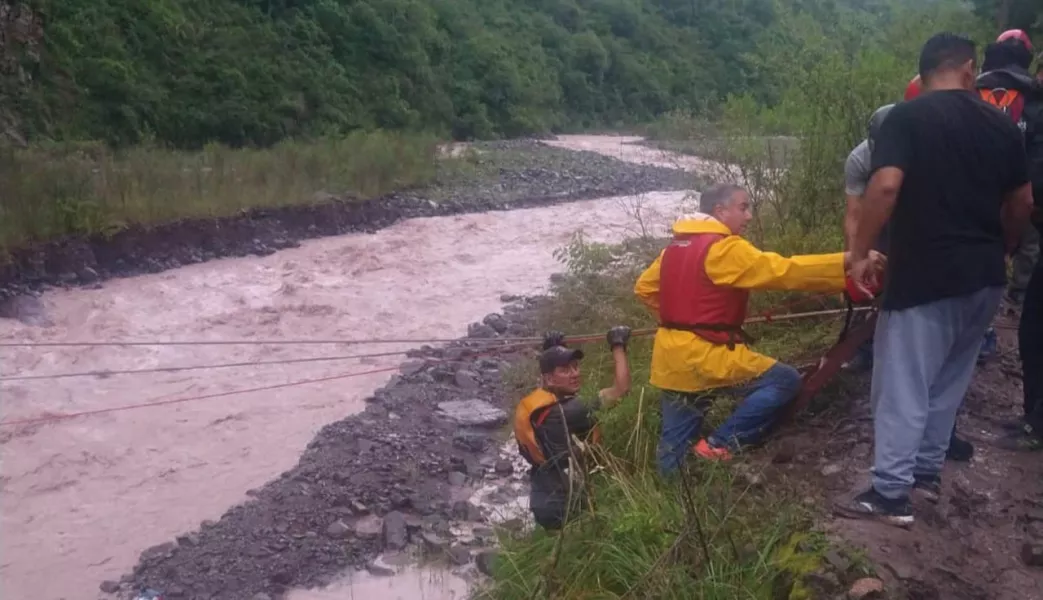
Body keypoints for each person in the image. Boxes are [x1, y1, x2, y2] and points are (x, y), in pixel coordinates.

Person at [838, 33, 1034, 528]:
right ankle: (925, 472)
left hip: (925, 272)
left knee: (903, 381)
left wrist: (860, 252)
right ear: (968, 70)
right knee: (949, 380)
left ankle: (890, 493)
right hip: (984, 275)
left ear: (924, 72)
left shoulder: (907, 117)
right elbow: (1023, 204)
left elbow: (884, 185)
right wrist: (1005, 248)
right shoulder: (1002, 124)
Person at [633, 183, 883, 472]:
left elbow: (644, 289)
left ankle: (671, 504)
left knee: (673, 443)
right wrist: (846, 262)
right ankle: (719, 444)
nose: (749, 216)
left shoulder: (674, 249)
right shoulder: (723, 248)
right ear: (720, 211)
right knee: (785, 380)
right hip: (709, 357)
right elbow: (782, 270)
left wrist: (682, 321)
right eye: (743, 207)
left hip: (671, 359)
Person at [513, 326, 631, 530]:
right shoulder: (569, 412)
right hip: (563, 504)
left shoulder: (539, 404)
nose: (575, 374)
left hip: (544, 497)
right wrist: (618, 344)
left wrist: (553, 349)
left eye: (575, 366)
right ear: (550, 378)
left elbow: (552, 385)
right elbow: (621, 388)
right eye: (566, 370)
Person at [976, 34, 1042, 307]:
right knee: (1027, 241)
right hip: (1022, 179)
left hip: (976, 181)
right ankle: (1020, 294)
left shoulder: (974, 88)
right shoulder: (1033, 93)